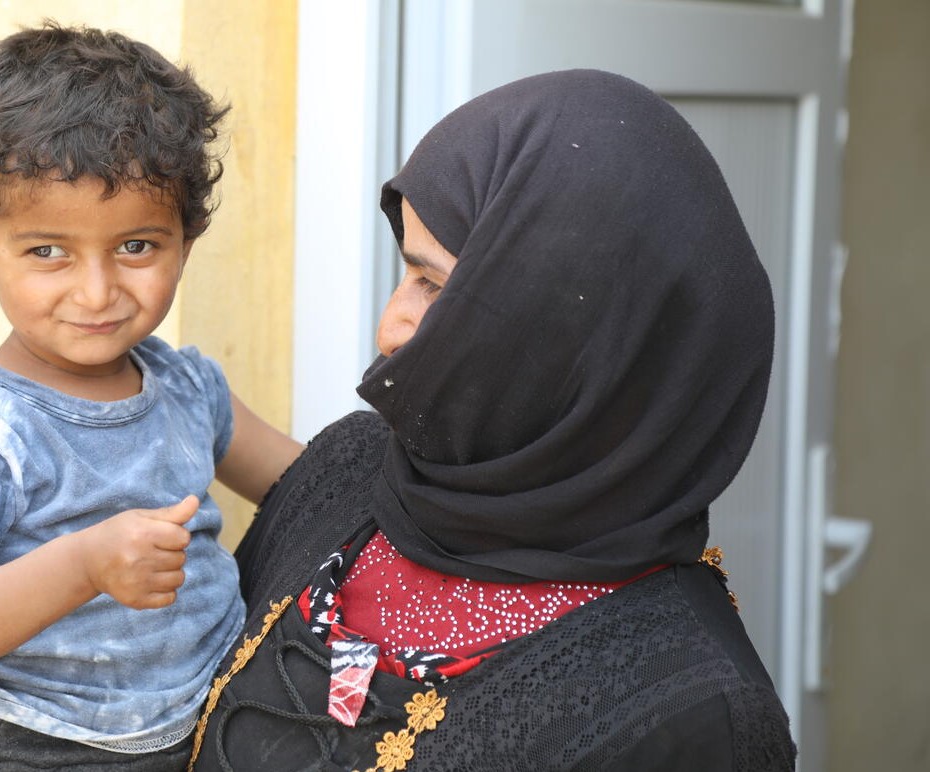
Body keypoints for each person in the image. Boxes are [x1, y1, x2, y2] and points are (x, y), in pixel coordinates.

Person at [188, 70, 796, 771]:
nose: (391, 327)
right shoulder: (353, 472)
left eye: (435, 284)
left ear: (566, 331)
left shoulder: (691, 715)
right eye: (405, 272)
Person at [0, 22, 302, 771]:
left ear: (184, 242)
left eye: (136, 246)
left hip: (205, 734)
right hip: (43, 750)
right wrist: (84, 567)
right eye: (47, 252)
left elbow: (310, 481)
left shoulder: (187, 388)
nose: (96, 293)